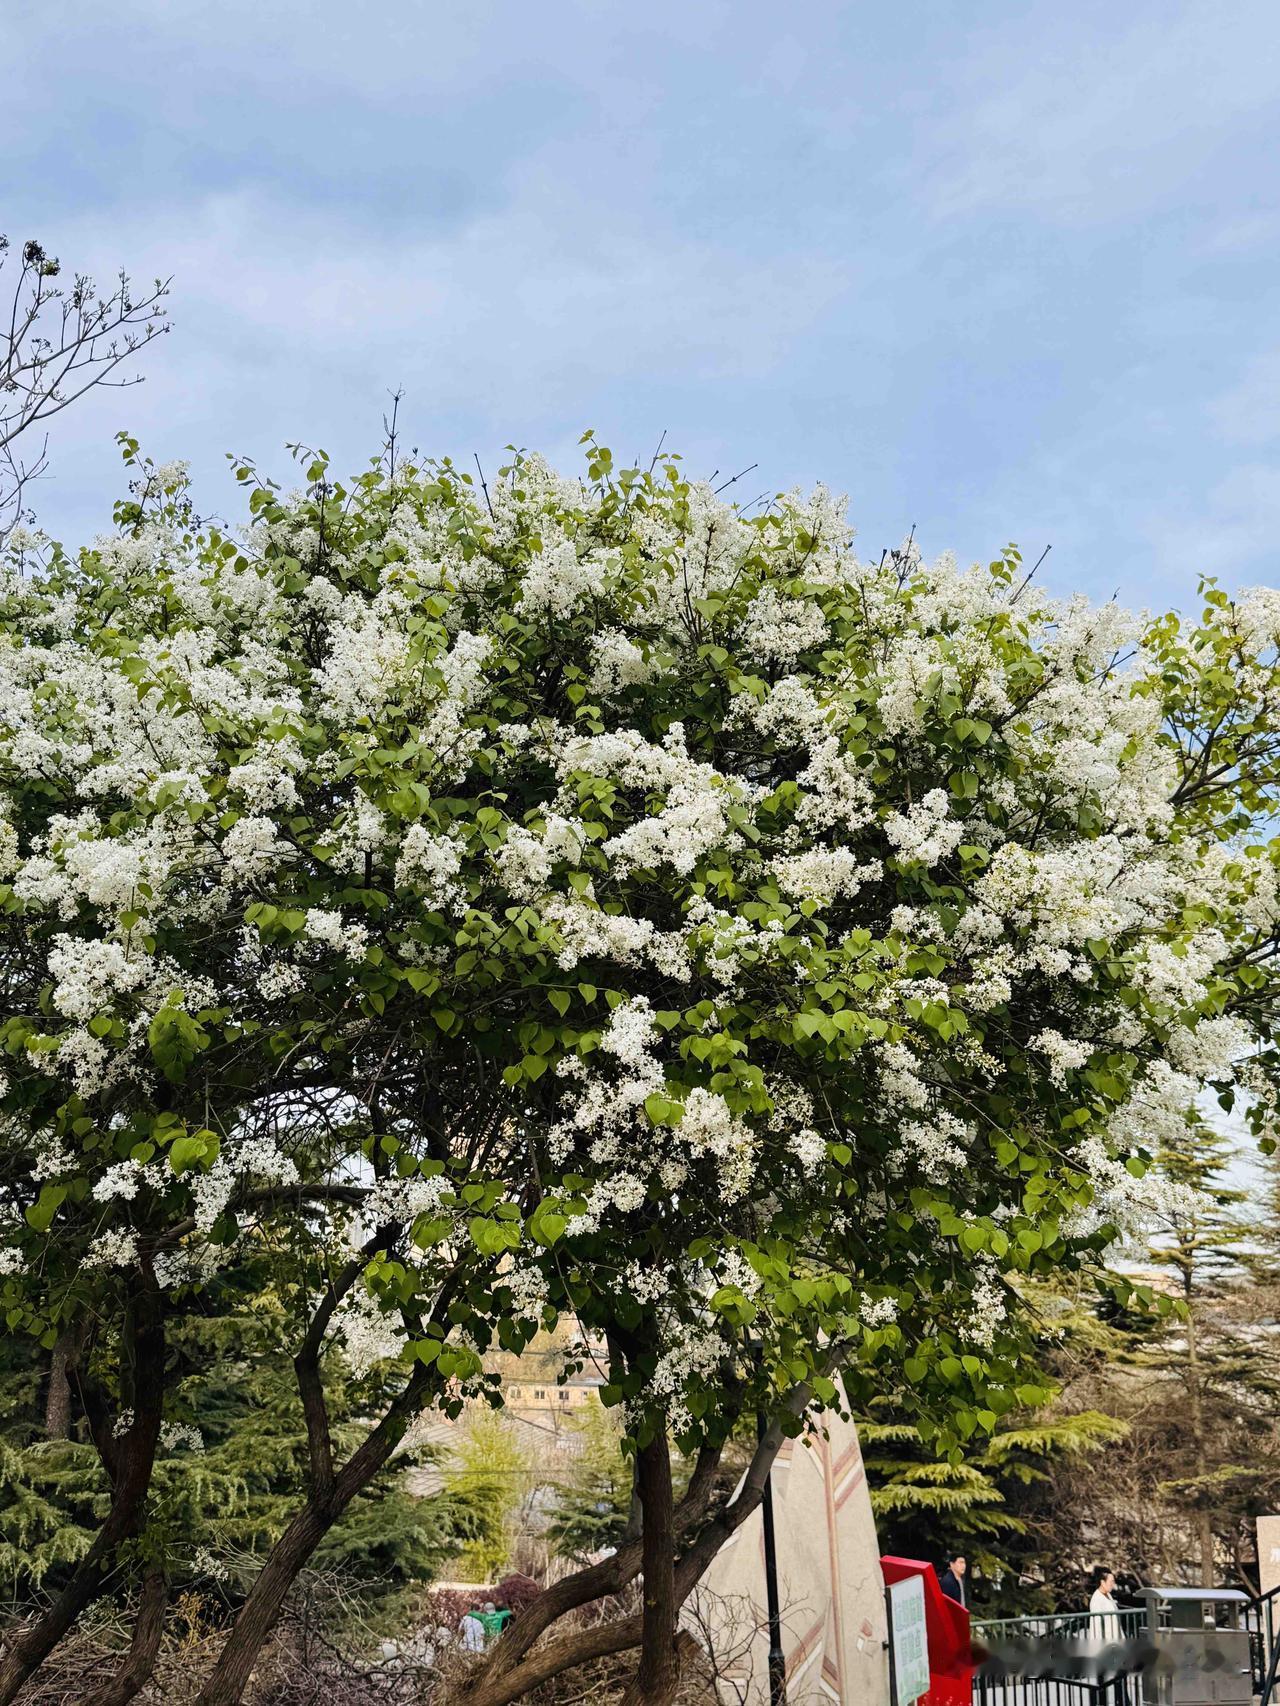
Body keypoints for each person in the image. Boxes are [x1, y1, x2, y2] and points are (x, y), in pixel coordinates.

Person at [1088, 1567, 1121, 1642]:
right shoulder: (1096, 1599)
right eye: (1111, 1582)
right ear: (1102, 1582)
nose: (1113, 1584)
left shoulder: (1108, 1595)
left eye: (1113, 1582)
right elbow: (1096, 1625)